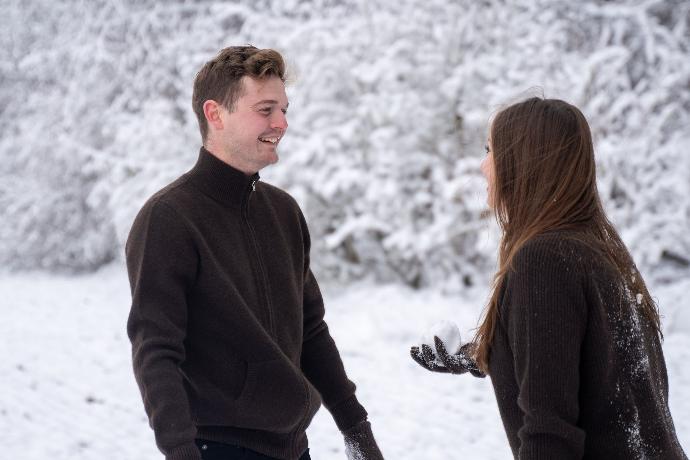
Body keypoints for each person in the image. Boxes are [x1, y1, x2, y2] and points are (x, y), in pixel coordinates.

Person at [126, 46, 384, 460]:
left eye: (283, 109)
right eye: (266, 110)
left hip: (294, 448)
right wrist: (180, 452)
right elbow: (155, 349)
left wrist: (358, 432)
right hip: (219, 448)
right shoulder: (168, 218)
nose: (281, 123)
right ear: (215, 114)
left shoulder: (282, 211)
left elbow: (311, 330)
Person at [411, 97, 688, 459]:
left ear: (522, 163)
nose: (483, 167)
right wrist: (480, 355)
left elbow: (549, 435)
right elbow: (588, 370)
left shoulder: (544, 261)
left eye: (490, 151)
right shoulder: (597, 249)